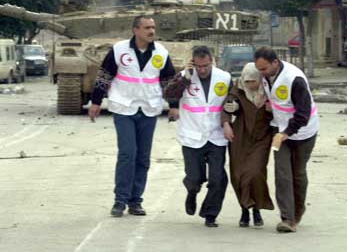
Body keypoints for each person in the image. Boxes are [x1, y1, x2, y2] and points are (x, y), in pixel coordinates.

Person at [88, 15, 176, 217]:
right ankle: (120, 200)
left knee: (143, 157)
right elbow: (104, 76)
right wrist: (95, 102)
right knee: (128, 153)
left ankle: (135, 201)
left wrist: (173, 105)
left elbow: (168, 81)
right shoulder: (119, 49)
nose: (151, 31)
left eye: (153, 27)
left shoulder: (161, 52)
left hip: (148, 108)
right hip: (123, 107)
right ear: (135, 30)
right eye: (147, 28)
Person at [164, 46, 231, 227]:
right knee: (194, 178)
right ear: (193, 62)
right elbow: (168, 93)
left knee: (218, 179)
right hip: (192, 135)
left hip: (216, 136)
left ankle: (210, 213)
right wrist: (186, 76)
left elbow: (231, 102)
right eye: (199, 66)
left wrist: (227, 123)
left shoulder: (224, 78)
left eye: (206, 66)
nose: (202, 70)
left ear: (212, 61)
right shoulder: (185, 77)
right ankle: (192, 193)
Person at [254, 47, 318, 233]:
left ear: (275, 63)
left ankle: (298, 210)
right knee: (282, 173)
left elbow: (303, 114)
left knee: (298, 173)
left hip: (304, 132)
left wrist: (286, 133)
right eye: (259, 69)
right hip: (279, 131)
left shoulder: (294, 80)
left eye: (264, 69)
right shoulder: (266, 75)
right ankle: (287, 218)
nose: (261, 73)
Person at [221, 62, 274, 228]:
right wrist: (227, 122)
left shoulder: (269, 91)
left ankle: (256, 208)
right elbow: (226, 109)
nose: (250, 85)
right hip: (240, 137)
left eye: (253, 81)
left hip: (262, 137)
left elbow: (284, 107)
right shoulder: (237, 91)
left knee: (255, 173)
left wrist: (272, 109)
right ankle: (245, 209)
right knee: (238, 175)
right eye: (247, 82)